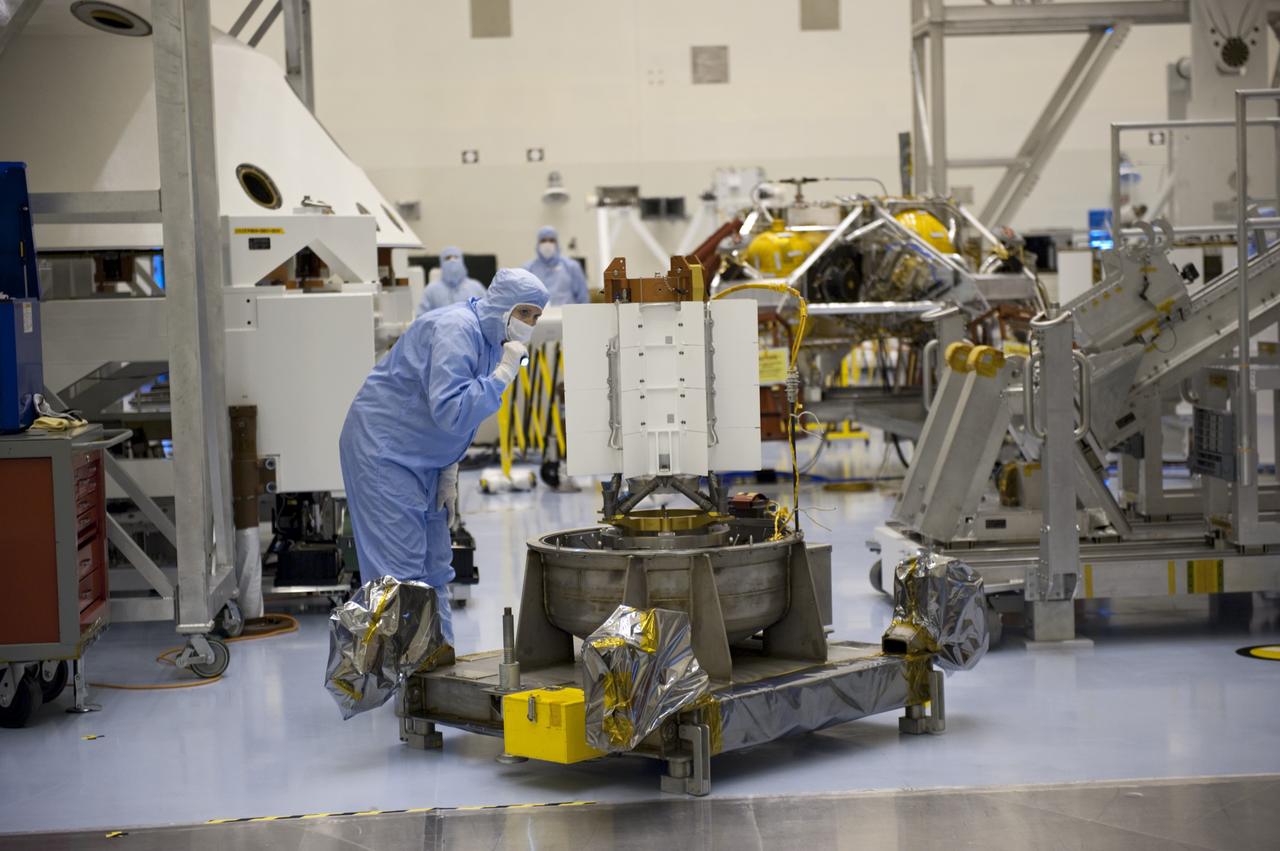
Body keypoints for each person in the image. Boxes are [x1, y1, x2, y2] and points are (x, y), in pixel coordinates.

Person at [339, 269, 549, 642]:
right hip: (385, 451)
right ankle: (399, 685)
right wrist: (501, 376)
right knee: (399, 574)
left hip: (427, 456)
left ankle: (437, 669)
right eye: (526, 313)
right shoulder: (457, 330)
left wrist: (449, 469)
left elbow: (455, 418)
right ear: (504, 305)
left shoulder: (491, 338)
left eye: (536, 317)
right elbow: (451, 410)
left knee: (435, 568)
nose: (530, 323)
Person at [523, 225, 589, 306]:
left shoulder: (571, 267)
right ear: (538, 244)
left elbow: (583, 299)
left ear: (557, 243)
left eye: (551, 240)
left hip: (568, 316)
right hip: (539, 317)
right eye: (543, 240)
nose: (547, 244)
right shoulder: (528, 269)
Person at [416, 246, 486, 318]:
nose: (452, 260)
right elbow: (421, 319)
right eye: (447, 258)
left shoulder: (476, 287)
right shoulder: (431, 290)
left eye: (456, 257)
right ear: (441, 263)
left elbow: (487, 314)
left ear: (462, 261)